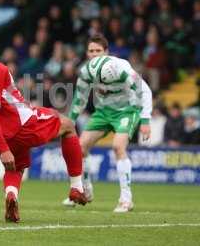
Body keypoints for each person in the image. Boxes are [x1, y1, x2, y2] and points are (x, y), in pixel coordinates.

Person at [0, 23, 87, 223]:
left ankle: (11, 196)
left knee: (14, 168)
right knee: (67, 125)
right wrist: (4, 148)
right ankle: (76, 187)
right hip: (21, 124)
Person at [63, 34, 152, 213]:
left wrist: (145, 119)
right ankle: (85, 191)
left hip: (127, 110)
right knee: (79, 147)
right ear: (87, 53)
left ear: (107, 52)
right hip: (103, 112)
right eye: (91, 51)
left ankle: (126, 200)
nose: (94, 54)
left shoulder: (120, 68)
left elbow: (144, 89)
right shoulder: (86, 71)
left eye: (98, 50)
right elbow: (79, 100)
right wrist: (69, 122)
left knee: (118, 147)